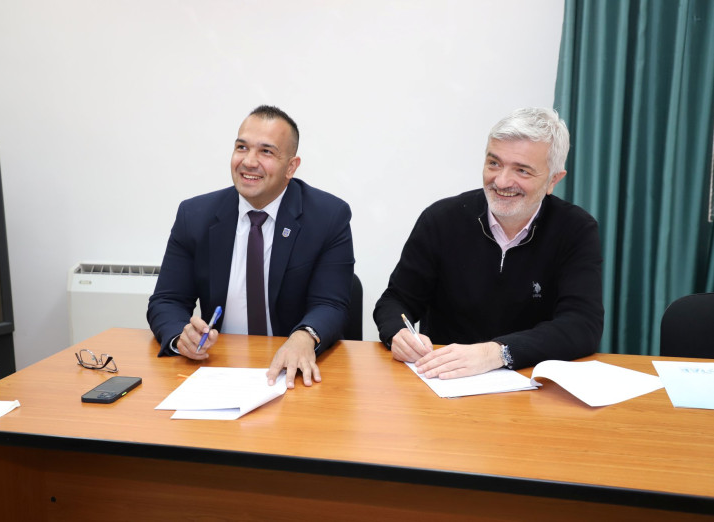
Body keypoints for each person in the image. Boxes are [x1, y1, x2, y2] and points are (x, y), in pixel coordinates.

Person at [373, 107, 603, 379]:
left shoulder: (576, 229)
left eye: (522, 170)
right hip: (443, 380)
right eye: (494, 163)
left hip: (530, 382)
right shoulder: (441, 219)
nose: (501, 181)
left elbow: (581, 325)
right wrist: (398, 333)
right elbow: (395, 300)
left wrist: (496, 353)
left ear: (553, 180)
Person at [148, 105, 354, 388]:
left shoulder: (328, 216)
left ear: (291, 167)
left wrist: (304, 336)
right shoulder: (194, 215)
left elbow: (331, 303)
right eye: (241, 147)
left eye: (266, 151)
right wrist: (180, 336)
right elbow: (167, 300)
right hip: (217, 367)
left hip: (292, 371)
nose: (248, 161)